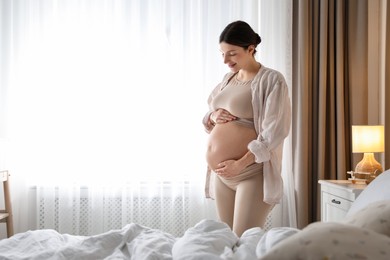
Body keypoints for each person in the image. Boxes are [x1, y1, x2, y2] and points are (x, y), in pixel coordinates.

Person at [202, 20, 291, 237]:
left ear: (250, 49)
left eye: (231, 53)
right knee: (228, 240)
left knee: (245, 241)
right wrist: (213, 115)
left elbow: (274, 132)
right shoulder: (228, 79)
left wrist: (240, 164)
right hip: (222, 174)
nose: (225, 60)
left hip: (251, 173)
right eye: (222, 53)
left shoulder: (272, 80)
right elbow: (210, 117)